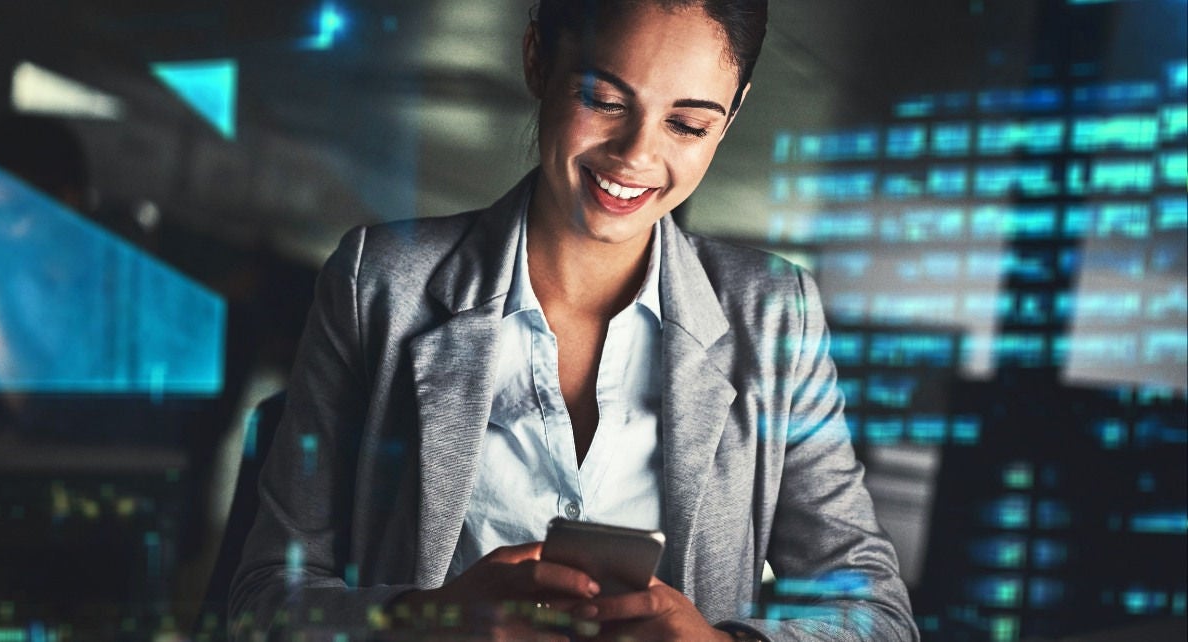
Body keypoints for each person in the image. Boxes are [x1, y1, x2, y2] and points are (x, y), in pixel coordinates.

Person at [227, 1, 918, 640]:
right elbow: (262, 602)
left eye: (688, 124)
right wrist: (429, 624)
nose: (637, 156)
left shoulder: (774, 316)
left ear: (732, 116)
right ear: (537, 59)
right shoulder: (380, 285)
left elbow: (877, 614)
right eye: (605, 99)